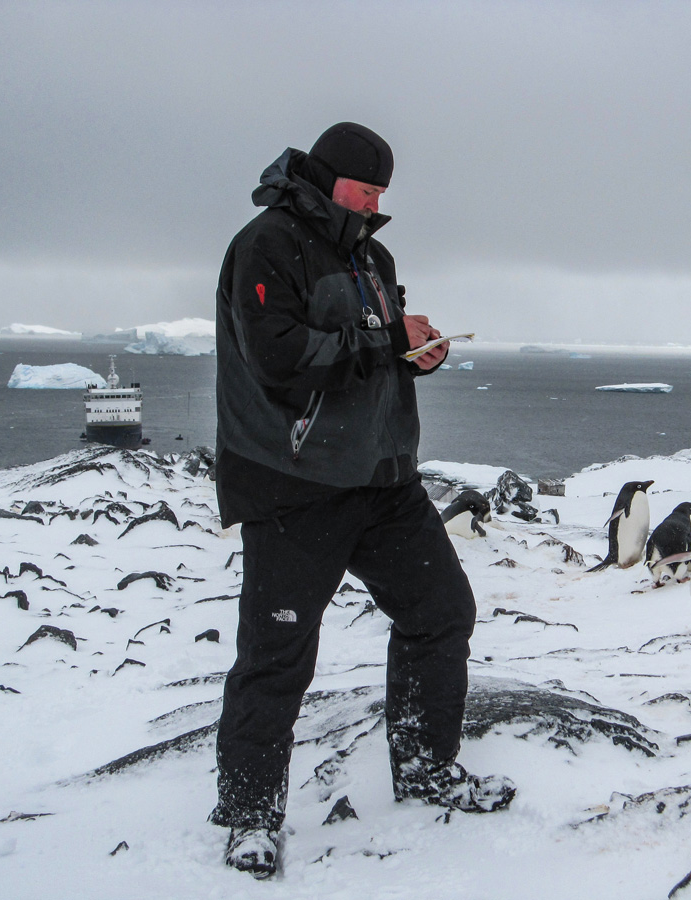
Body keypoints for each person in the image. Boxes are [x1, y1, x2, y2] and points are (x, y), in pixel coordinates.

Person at [210, 122, 515, 878]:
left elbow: (372, 354)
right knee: (277, 655)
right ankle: (250, 815)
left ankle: (425, 768)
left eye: (384, 190)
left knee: (441, 613)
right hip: (295, 487)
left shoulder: (370, 255)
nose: (378, 200)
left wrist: (416, 355)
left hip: (383, 480)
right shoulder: (267, 244)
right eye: (367, 186)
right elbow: (279, 357)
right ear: (325, 174)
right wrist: (385, 341)